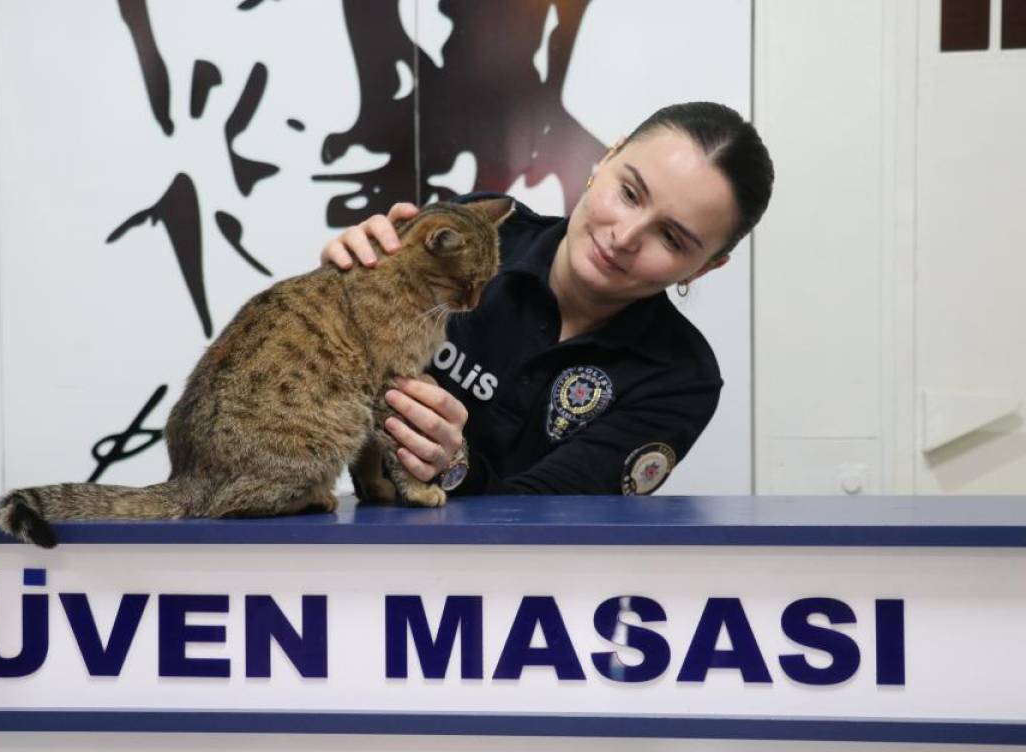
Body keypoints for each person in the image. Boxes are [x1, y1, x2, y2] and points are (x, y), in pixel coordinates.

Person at [320, 102, 774, 496]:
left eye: (671, 238)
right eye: (630, 193)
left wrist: (455, 465)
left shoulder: (680, 378)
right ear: (606, 159)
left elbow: (551, 520)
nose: (624, 236)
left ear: (705, 267)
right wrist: (339, 292)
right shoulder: (490, 228)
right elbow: (332, 388)